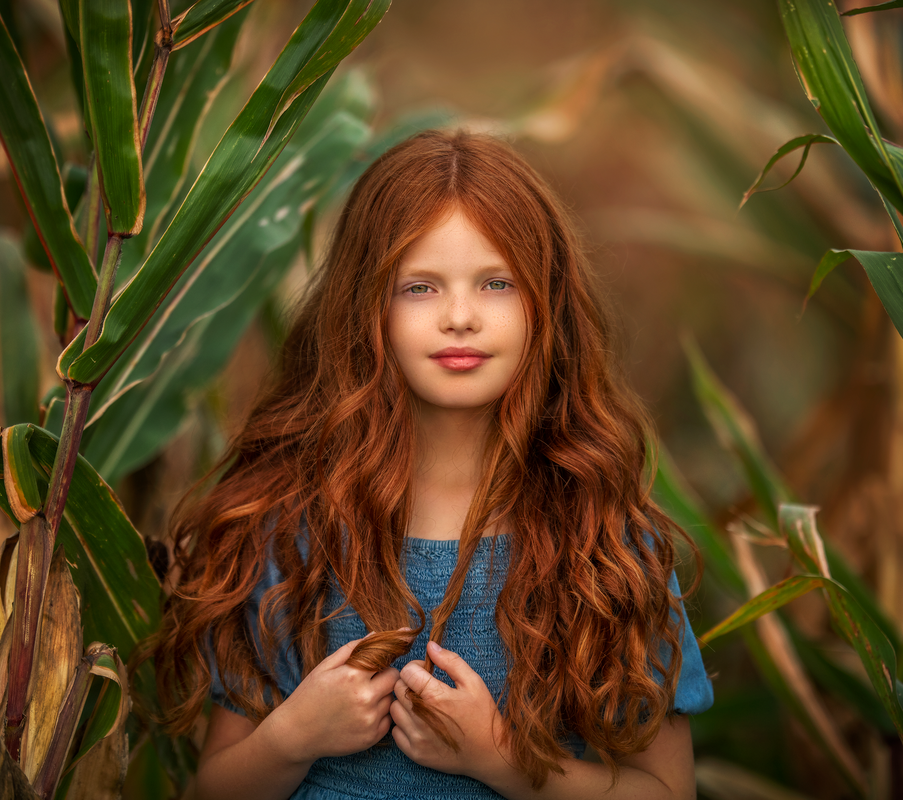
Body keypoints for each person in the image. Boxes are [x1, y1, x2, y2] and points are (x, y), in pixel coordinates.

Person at [152, 130, 714, 800]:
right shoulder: (289, 531)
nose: (459, 317)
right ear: (367, 309)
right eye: (419, 287)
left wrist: (500, 759)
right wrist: (291, 737)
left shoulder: (604, 541)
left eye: (496, 283)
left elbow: (667, 792)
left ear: (547, 303)